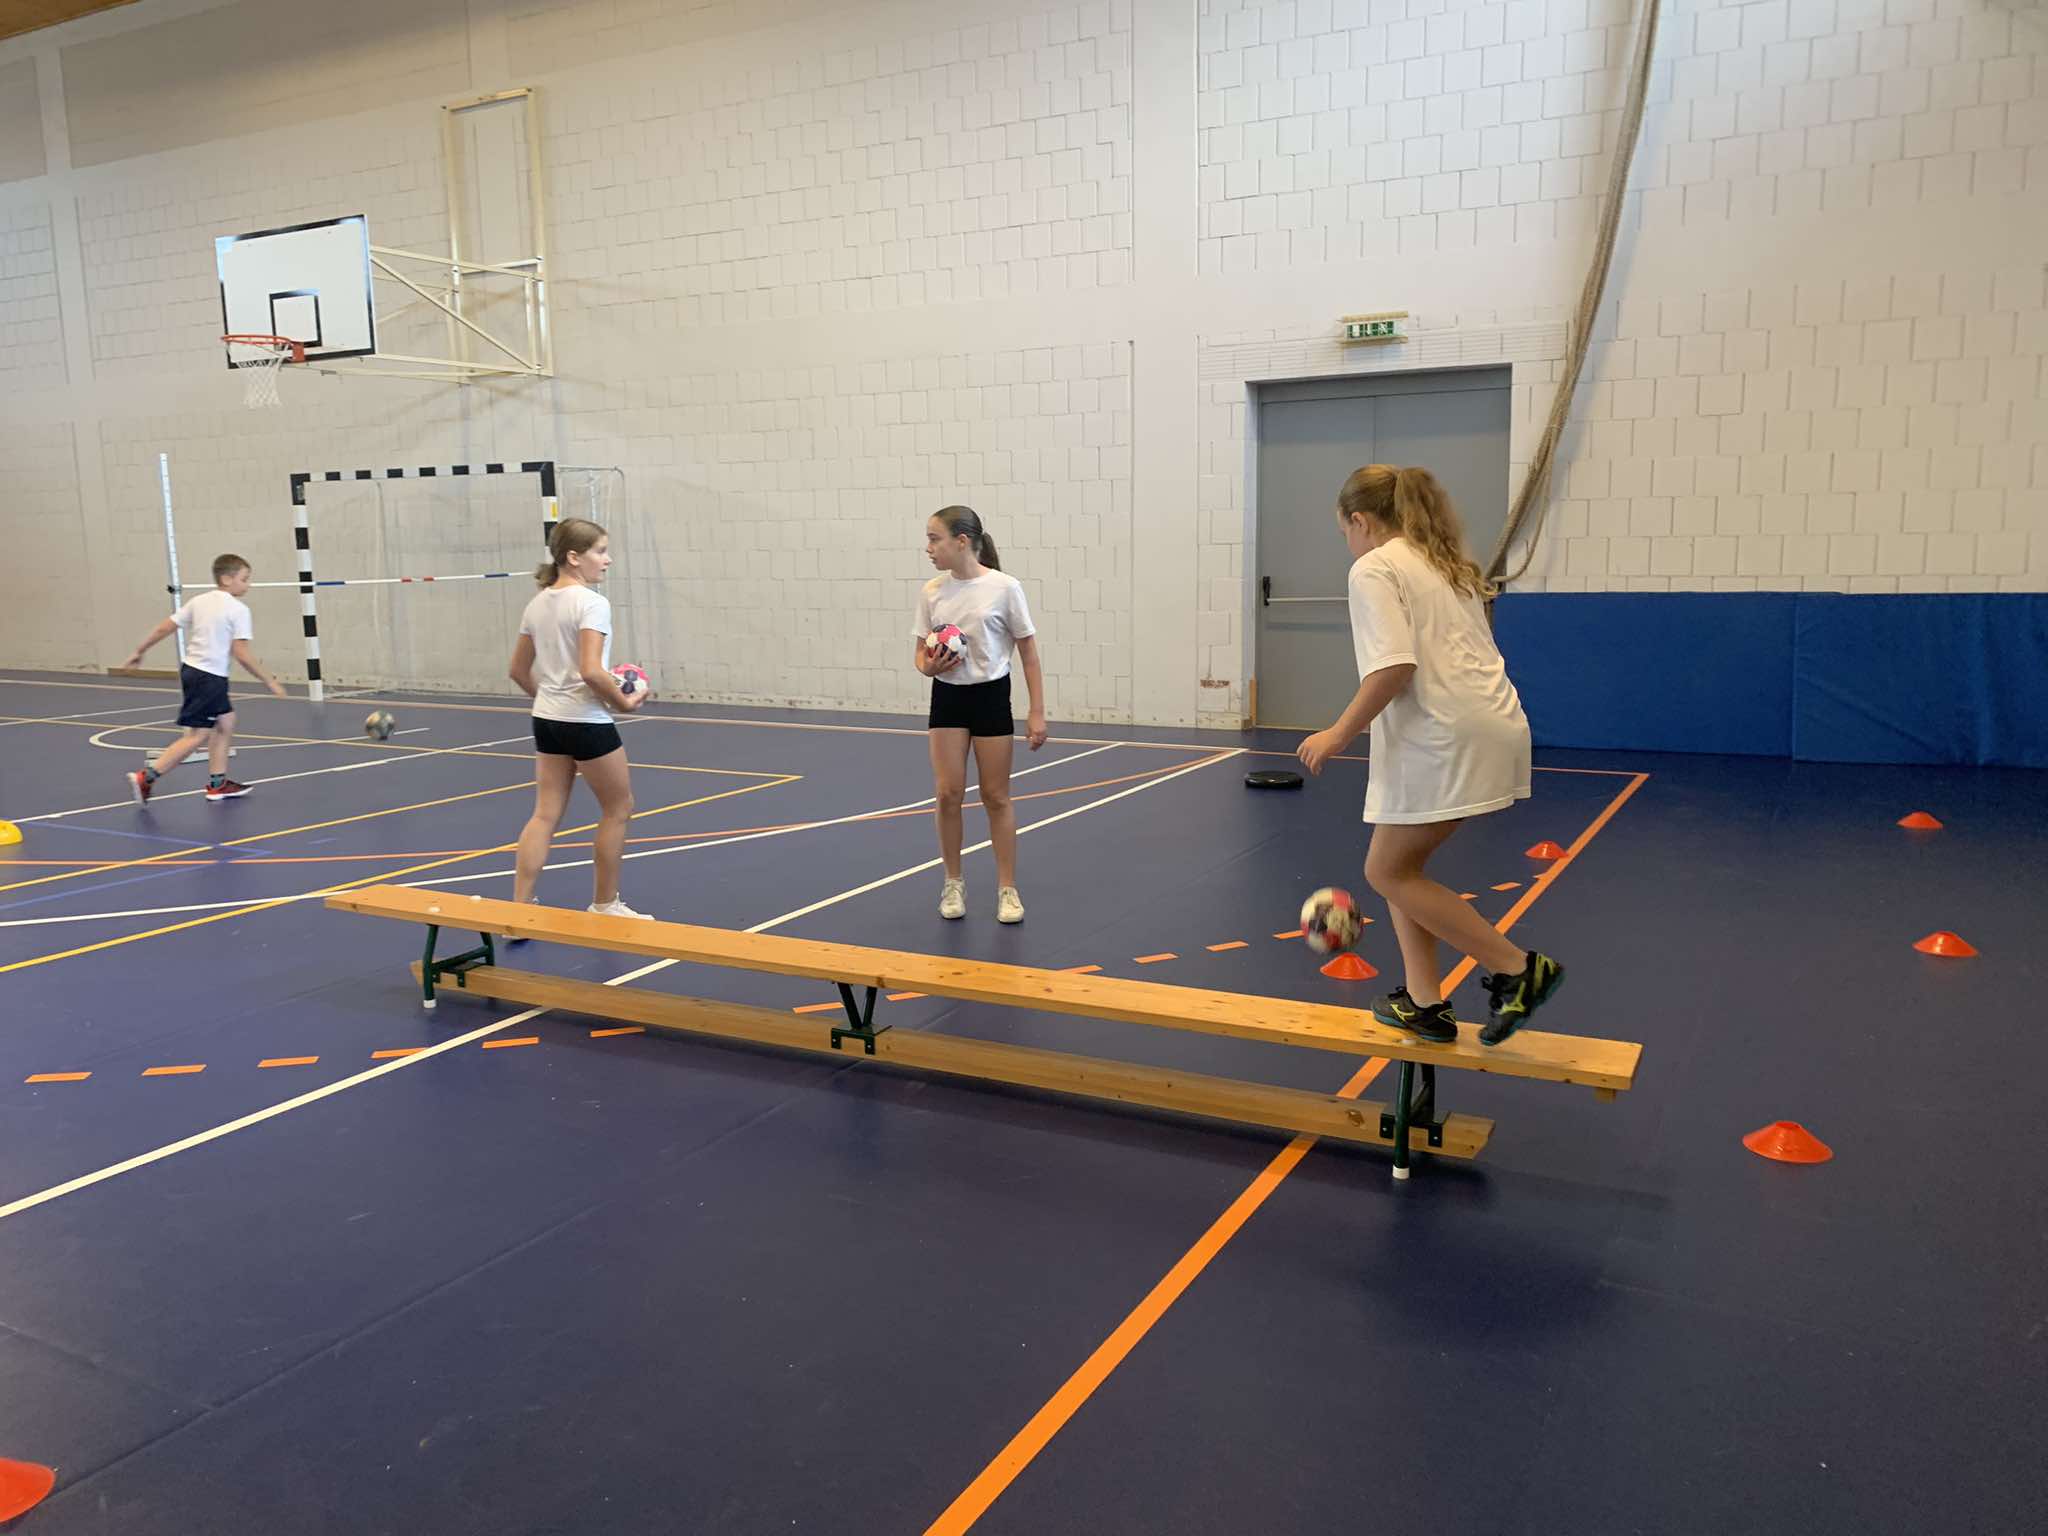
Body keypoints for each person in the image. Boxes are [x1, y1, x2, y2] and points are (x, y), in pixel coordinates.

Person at [1296, 465, 1564, 1045]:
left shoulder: (1375, 567)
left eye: (1344, 532)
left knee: (1386, 871)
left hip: (1445, 735)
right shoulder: (1442, 561)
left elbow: (1394, 666)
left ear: (1360, 521)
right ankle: (1425, 1003)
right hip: (1488, 723)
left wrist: (1337, 733)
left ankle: (1519, 970)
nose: (1347, 543)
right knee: (1399, 870)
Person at [507, 517, 651, 920]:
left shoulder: (537, 604)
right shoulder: (591, 603)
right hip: (585, 720)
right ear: (574, 557)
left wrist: (551, 701)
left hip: (546, 720)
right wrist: (625, 703)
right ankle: (605, 904)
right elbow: (591, 671)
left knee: (545, 813)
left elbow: (517, 671)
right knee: (618, 808)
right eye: (600, 551)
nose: (607, 559)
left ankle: (519, 910)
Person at [913, 504, 1047, 923]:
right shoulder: (932, 591)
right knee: (947, 793)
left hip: (991, 697)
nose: (928, 548)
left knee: (995, 796)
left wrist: (1036, 711)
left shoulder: (1005, 588)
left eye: (934, 539)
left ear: (962, 541)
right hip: (948, 698)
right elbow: (919, 653)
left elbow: (1028, 653)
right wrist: (928, 667)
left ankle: (1007, 888)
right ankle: (953, 882)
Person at [123, 553, 285, 804]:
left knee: (226, 722)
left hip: (192, 671)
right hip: (209, 678)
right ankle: (147, 777)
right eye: (244, 579)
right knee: (197, 736)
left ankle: (218, 785)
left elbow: (164, 627)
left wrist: (140, 650)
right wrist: (269, 680)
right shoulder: (238, 610)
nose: (248, 584)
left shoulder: (199, 601)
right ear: (226, 579)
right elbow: (241, 653)